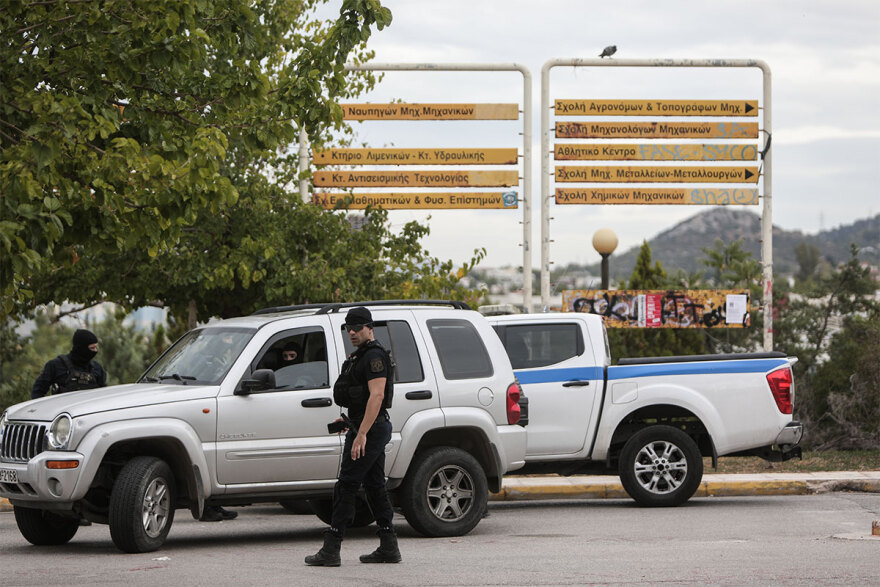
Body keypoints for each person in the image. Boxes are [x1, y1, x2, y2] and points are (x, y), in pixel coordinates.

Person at [305, 306, 400, 567]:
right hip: (364, 426)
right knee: (373, 486)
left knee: (346, 485)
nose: (353, 332)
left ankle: (331, 548)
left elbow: (377, 396)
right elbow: (361, 397)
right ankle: (389, 546)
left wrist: (362, 434)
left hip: (369, 431)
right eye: (349, 328)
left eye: (357, 328)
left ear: (369, 327)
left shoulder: (374, 357)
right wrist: (350, 420)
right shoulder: (360, 356)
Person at [31, 329, 107, 399]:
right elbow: (37, 393)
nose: (95, 350)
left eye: (96, 347)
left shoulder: (97, 368)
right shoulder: (55, 366)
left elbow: (104, 396)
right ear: (81, 348)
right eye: (92, 348)